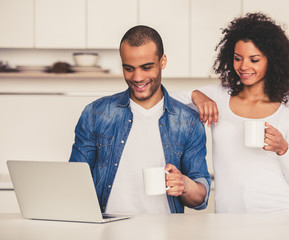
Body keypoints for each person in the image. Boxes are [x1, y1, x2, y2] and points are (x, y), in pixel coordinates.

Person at [173, 12, 289, 213]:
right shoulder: (217, 96)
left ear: (271, 61)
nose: (244, 66)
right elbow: (161, 101)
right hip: (229, 221)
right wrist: (195, 95)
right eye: (238, 58)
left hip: (280, 216)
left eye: (254, 59)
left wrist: (283, 149)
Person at [69, 25, 211, 214]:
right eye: (129, 68)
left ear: (162, 62)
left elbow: (201, 197)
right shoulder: (95, 113)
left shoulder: (189, 121)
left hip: (165, 232)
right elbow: (75, 182)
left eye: (146, 67)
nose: (137, 77)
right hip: (107, 232)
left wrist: (185, 184)